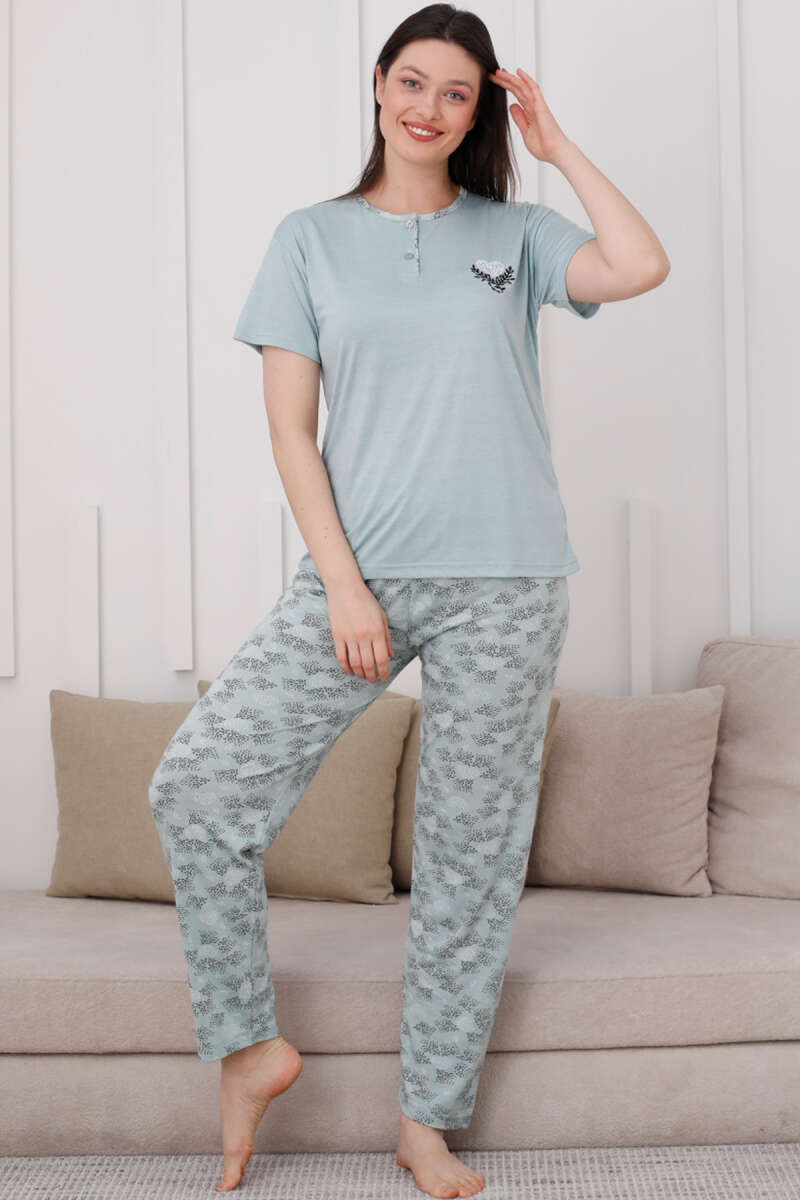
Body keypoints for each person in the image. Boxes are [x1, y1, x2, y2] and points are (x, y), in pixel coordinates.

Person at [148, 4, 669, 1196]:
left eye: (455, 92)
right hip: (362, 576)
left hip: (509, 581)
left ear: (478, 110)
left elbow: (638, 263)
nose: (427, 107)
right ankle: (247, 1048)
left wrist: (557, 148)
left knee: (468, 861)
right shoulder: (308, 240)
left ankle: (423, 1125)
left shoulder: (516, 232)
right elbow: (291, 432)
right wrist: (342, 584)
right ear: (377, 85)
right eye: (411, 81)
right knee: (198, 788)